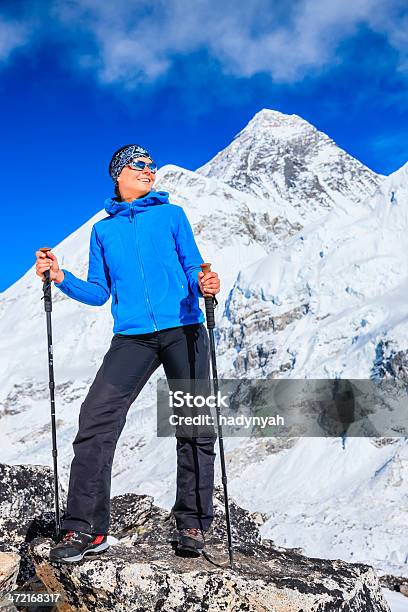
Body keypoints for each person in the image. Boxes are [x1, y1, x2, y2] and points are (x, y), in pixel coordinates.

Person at [35, 144, 220, 563]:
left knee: (194, 424)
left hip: (184, 329)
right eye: (140, 165)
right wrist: (61, 276)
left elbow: (193, 266)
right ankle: (85, 529)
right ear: (119, 173)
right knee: (95, 421)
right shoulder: (103, 231)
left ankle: (192, 522)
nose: (150, 170)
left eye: (152, 165)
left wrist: (204, 283)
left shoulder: (172, 216)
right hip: (132, 337)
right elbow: (100, 293)